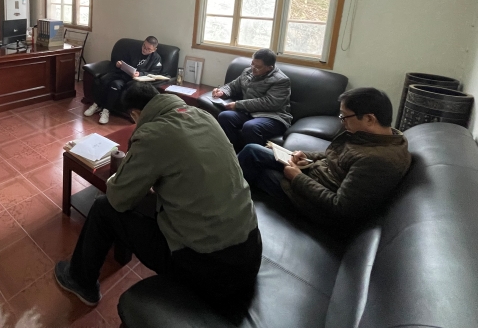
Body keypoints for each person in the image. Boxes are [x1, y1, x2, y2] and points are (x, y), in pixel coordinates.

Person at [56, 83, 261, 308]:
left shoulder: (153, 134)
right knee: (151, 197)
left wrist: (123, 176)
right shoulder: (205, 116)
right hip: (250, 249)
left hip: (208, 268)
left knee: (103, 207)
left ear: (135, 114)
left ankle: (81, 281)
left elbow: (118, 197)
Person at [237, 87, 412, 228]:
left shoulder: (377, 161)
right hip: (313, 174)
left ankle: (229, 199)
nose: (342, 121)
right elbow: (335, 155)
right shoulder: (376, 137)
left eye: (344, 116)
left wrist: (297, 178)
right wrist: (306, 156)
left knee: (257, 171)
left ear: (369, 119)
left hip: (312, 202)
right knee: (253, 150)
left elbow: (339, 207)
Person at [213, 48, 291, 151]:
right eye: (252, 64)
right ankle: (233, 152)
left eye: (258, 67)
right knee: (224, 116)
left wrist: (238, 105)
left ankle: (253, 158)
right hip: (249, 112)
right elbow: (232, 86)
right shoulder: (247, 72)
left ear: (269, 68)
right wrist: (222, 92)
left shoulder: (281, 80)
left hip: (273, 117)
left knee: (250, 126)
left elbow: (270, 103)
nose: (253, 68)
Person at [84, 36, 162, 125]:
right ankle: (97, 104)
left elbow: (154, 72)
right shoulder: (134, 50)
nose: (144, 49)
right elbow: (122, 60)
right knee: (104, 79)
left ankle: (106, 110)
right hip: (123, 74)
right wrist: (119, 63)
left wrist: (140, 74)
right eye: (144, 46)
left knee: (115, 85)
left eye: (148, 49)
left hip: (135, 81)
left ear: (154, 49)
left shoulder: (156, 58)